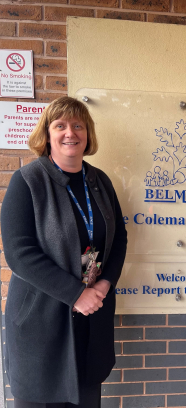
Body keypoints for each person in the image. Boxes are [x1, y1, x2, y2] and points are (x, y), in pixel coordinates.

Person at [1, 96, 127, 407]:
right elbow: (19, 253)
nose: (70, 132)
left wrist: (104, 283)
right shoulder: (27, 181)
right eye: (60, 125)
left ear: (88, 134)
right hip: (42, 321)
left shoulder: (100, 181)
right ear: (47, 134)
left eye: (78, 125)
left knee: (85, 397)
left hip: (90, 318)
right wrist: (75, 294)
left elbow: (119, 238)